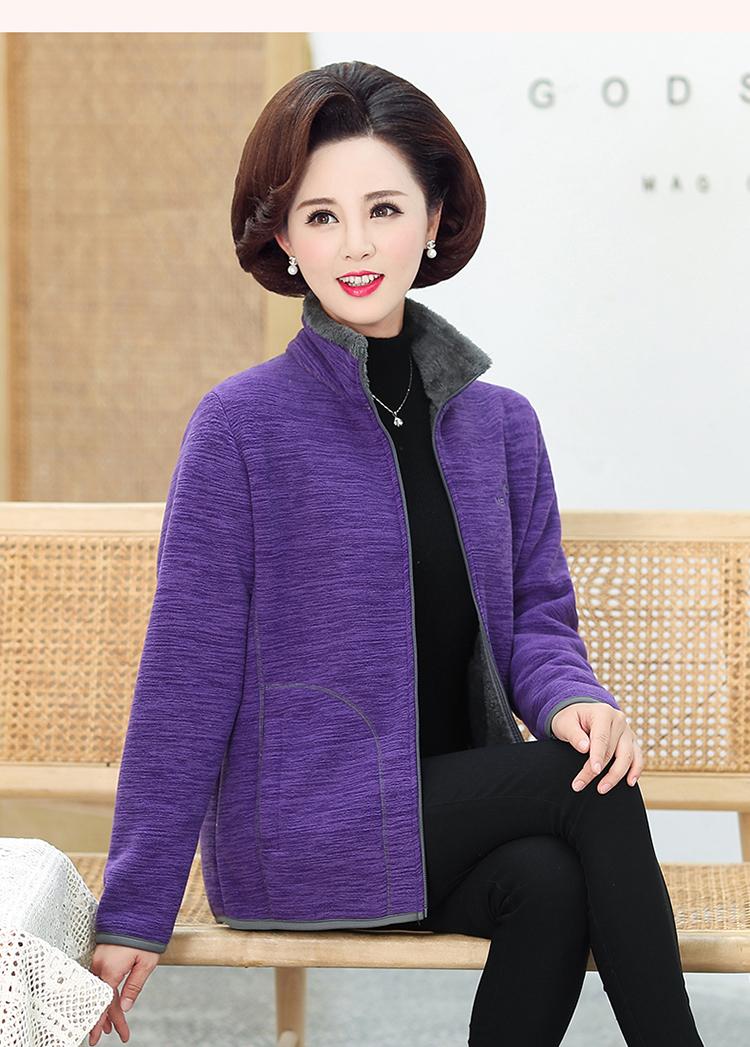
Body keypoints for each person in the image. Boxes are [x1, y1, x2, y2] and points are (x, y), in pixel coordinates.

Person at [88, 60, 706, 1047]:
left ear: (433, 217)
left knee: (549, 880)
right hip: (304, 830)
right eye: (321, 216)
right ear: (283, 238)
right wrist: (134, 910)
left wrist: (571, 699)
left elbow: (538, 620)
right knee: (586, 788)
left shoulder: (501, 427)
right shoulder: (240, 428)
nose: (356, 244)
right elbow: (185, 677)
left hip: (439, 825)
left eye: (383, 208)